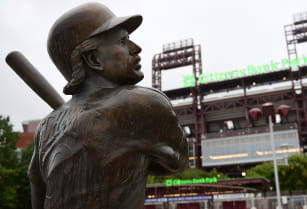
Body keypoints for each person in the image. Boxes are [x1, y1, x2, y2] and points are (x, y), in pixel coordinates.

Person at [28, 3, 188, 209]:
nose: (136, 48)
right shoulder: (143, 103)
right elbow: (179, 163)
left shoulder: (46, 126)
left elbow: (37, 189)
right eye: (123, 41)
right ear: (93, 59)